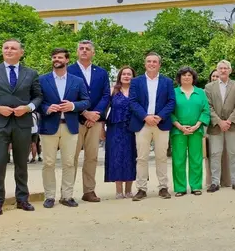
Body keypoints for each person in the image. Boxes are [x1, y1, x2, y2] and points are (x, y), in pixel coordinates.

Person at [0, 39, 43, 216]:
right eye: (6, 48)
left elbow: (38, 97)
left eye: (13, 48)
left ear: (21, 52)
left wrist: (28, 108)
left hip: (23, 123)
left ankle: (22, 199)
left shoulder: (31, 73)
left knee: (22, 164)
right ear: (2, 51)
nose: (9, 50)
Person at [38, 48, 91, 208]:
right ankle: (49, 197)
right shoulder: (42, 80)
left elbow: (86, 101)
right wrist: (47, 108)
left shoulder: (77, 81)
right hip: (48, 126)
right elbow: (37, 101)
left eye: (60, 57)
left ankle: (67, 196)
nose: (56, 59)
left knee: (69, 163)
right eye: (54, 57)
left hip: (70, 127)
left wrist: (73, 105)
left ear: (67, 60)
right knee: (48, 163)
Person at [68, 40, 111, 203]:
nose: (84, 51)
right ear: (77, 52)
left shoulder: (101, 72)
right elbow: (67, 95)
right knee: (71, 157)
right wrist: (85, 113)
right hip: (76, 119)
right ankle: (68, 192)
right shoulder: (69, 71)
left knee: (92, 157)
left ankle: (89, 191)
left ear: (93, 53)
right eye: (81, 48)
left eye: (87, 49)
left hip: (95, 121)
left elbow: (106, 95)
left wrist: (96, 114)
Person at [129, 52, 176, 201]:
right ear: (145, 64)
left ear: (159, 64)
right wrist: (146, 116)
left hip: (161, 123)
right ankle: (141, 189)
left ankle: (163, 187)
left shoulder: (167, 82)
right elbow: (133, 102)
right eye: (149, 61)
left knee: (161, 157)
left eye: (154, 62)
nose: (151, 64)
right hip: (142, 123)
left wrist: (160, 116)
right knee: (142, 158)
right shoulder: (136, 82)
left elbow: (171, 102)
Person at [205, 60, 235, 192]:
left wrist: (229, 121)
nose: (223, 70)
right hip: (215, 126)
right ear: (217, 70)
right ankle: (215, 182)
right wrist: (219, 121)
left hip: (232, 125)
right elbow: (208, 106)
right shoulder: (209, 87)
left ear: (230, 70)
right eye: (220, 68)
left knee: (233, 153)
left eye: (225, 68)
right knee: (215, 153)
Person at [171, 67, 211, 196]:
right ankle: (180, 187)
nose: (186, 77)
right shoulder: (173, 92)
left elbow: (206, 110)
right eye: (184, 75)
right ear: (179, 78)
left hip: (196, 130)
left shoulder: (200, 92)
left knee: (196, 158)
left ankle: (195, 186)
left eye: (189, 75)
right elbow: (169, 111)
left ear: (193, 78)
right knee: (178, 159)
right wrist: (180, 126)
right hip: (178, 131)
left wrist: (197, 125)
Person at [104, 66, 137, 199]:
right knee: (116, 157)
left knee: (131, 157)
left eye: (129, 74)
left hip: (132, 128)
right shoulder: (113, 91)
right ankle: (118, 190)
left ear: (133, 77)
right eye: (124, 74)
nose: (126, 76)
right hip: (115, 128)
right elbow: (104, 110)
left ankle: (129, 190)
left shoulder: (137, 91)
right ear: (120, 76)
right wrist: (102, 128)